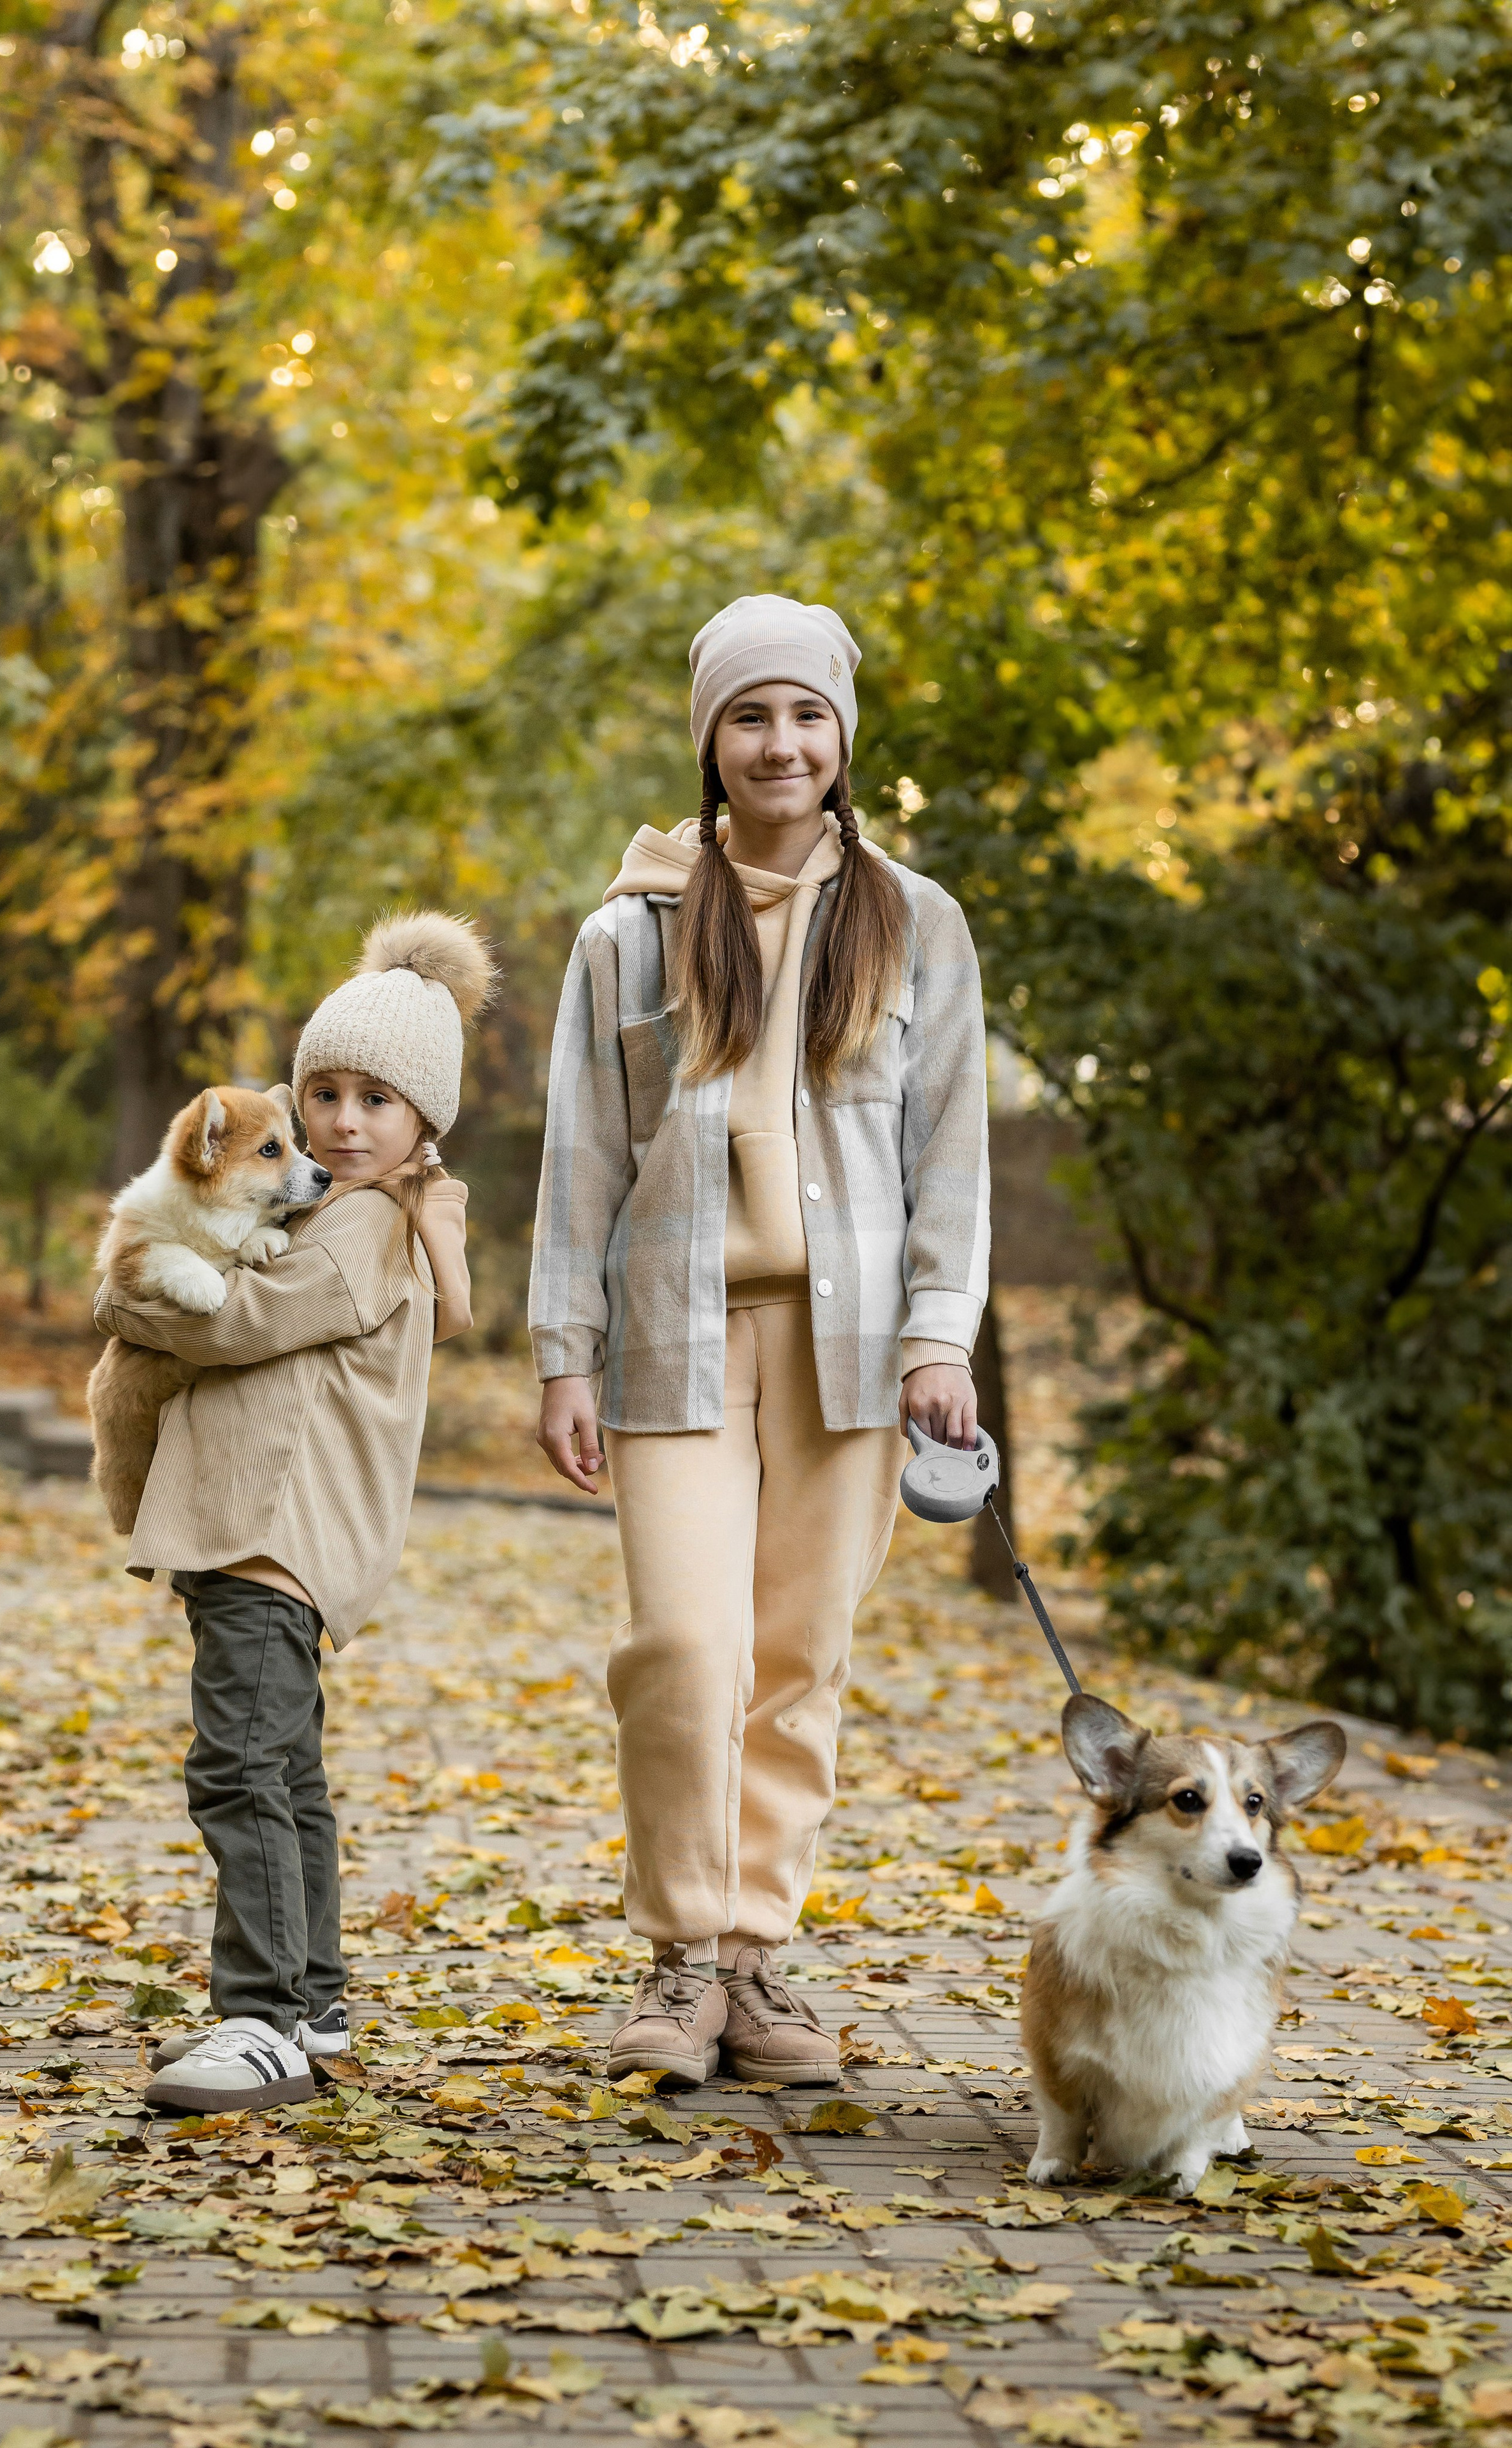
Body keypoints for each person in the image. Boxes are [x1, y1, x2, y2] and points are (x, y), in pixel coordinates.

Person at [530, 594, 988, 2086]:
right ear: (709, 740)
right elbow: (580, 1155)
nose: (778, 743)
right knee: (683, 1641)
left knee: (799, 1654)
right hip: (672, 1334)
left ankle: (752, 1961)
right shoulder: (632, 928)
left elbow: (952, 1150)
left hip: (851, 1353)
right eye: (748, 715)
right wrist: (560, 1349)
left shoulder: (913, 920)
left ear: (841, 737)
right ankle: (674, 1949)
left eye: (804, 714)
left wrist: (940, 1334)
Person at [94, 912, 494, 2113]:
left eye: (378, 1100)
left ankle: (259, 2014)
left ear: (424, 1123)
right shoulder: (334, 1205)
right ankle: (312, 2002)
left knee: (238, 1769)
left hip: (276, 1537)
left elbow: (235, 1324)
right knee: (287, 1774)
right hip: (266, 1540)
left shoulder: (364, 1226)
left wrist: (120, 1302)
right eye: (322, 1091)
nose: (343, 1120)